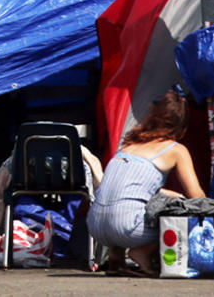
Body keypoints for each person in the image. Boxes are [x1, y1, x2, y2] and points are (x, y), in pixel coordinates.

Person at [87, 90, 205, 277]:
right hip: (127, 228)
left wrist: (168, 193)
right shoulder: (176, 150)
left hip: (96, 227)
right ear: (181, 125)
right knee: (180, 218)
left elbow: (131, 189)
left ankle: (115, 254)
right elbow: (196, 196)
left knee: (126, 204)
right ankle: (142, 251)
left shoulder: (128, 144)